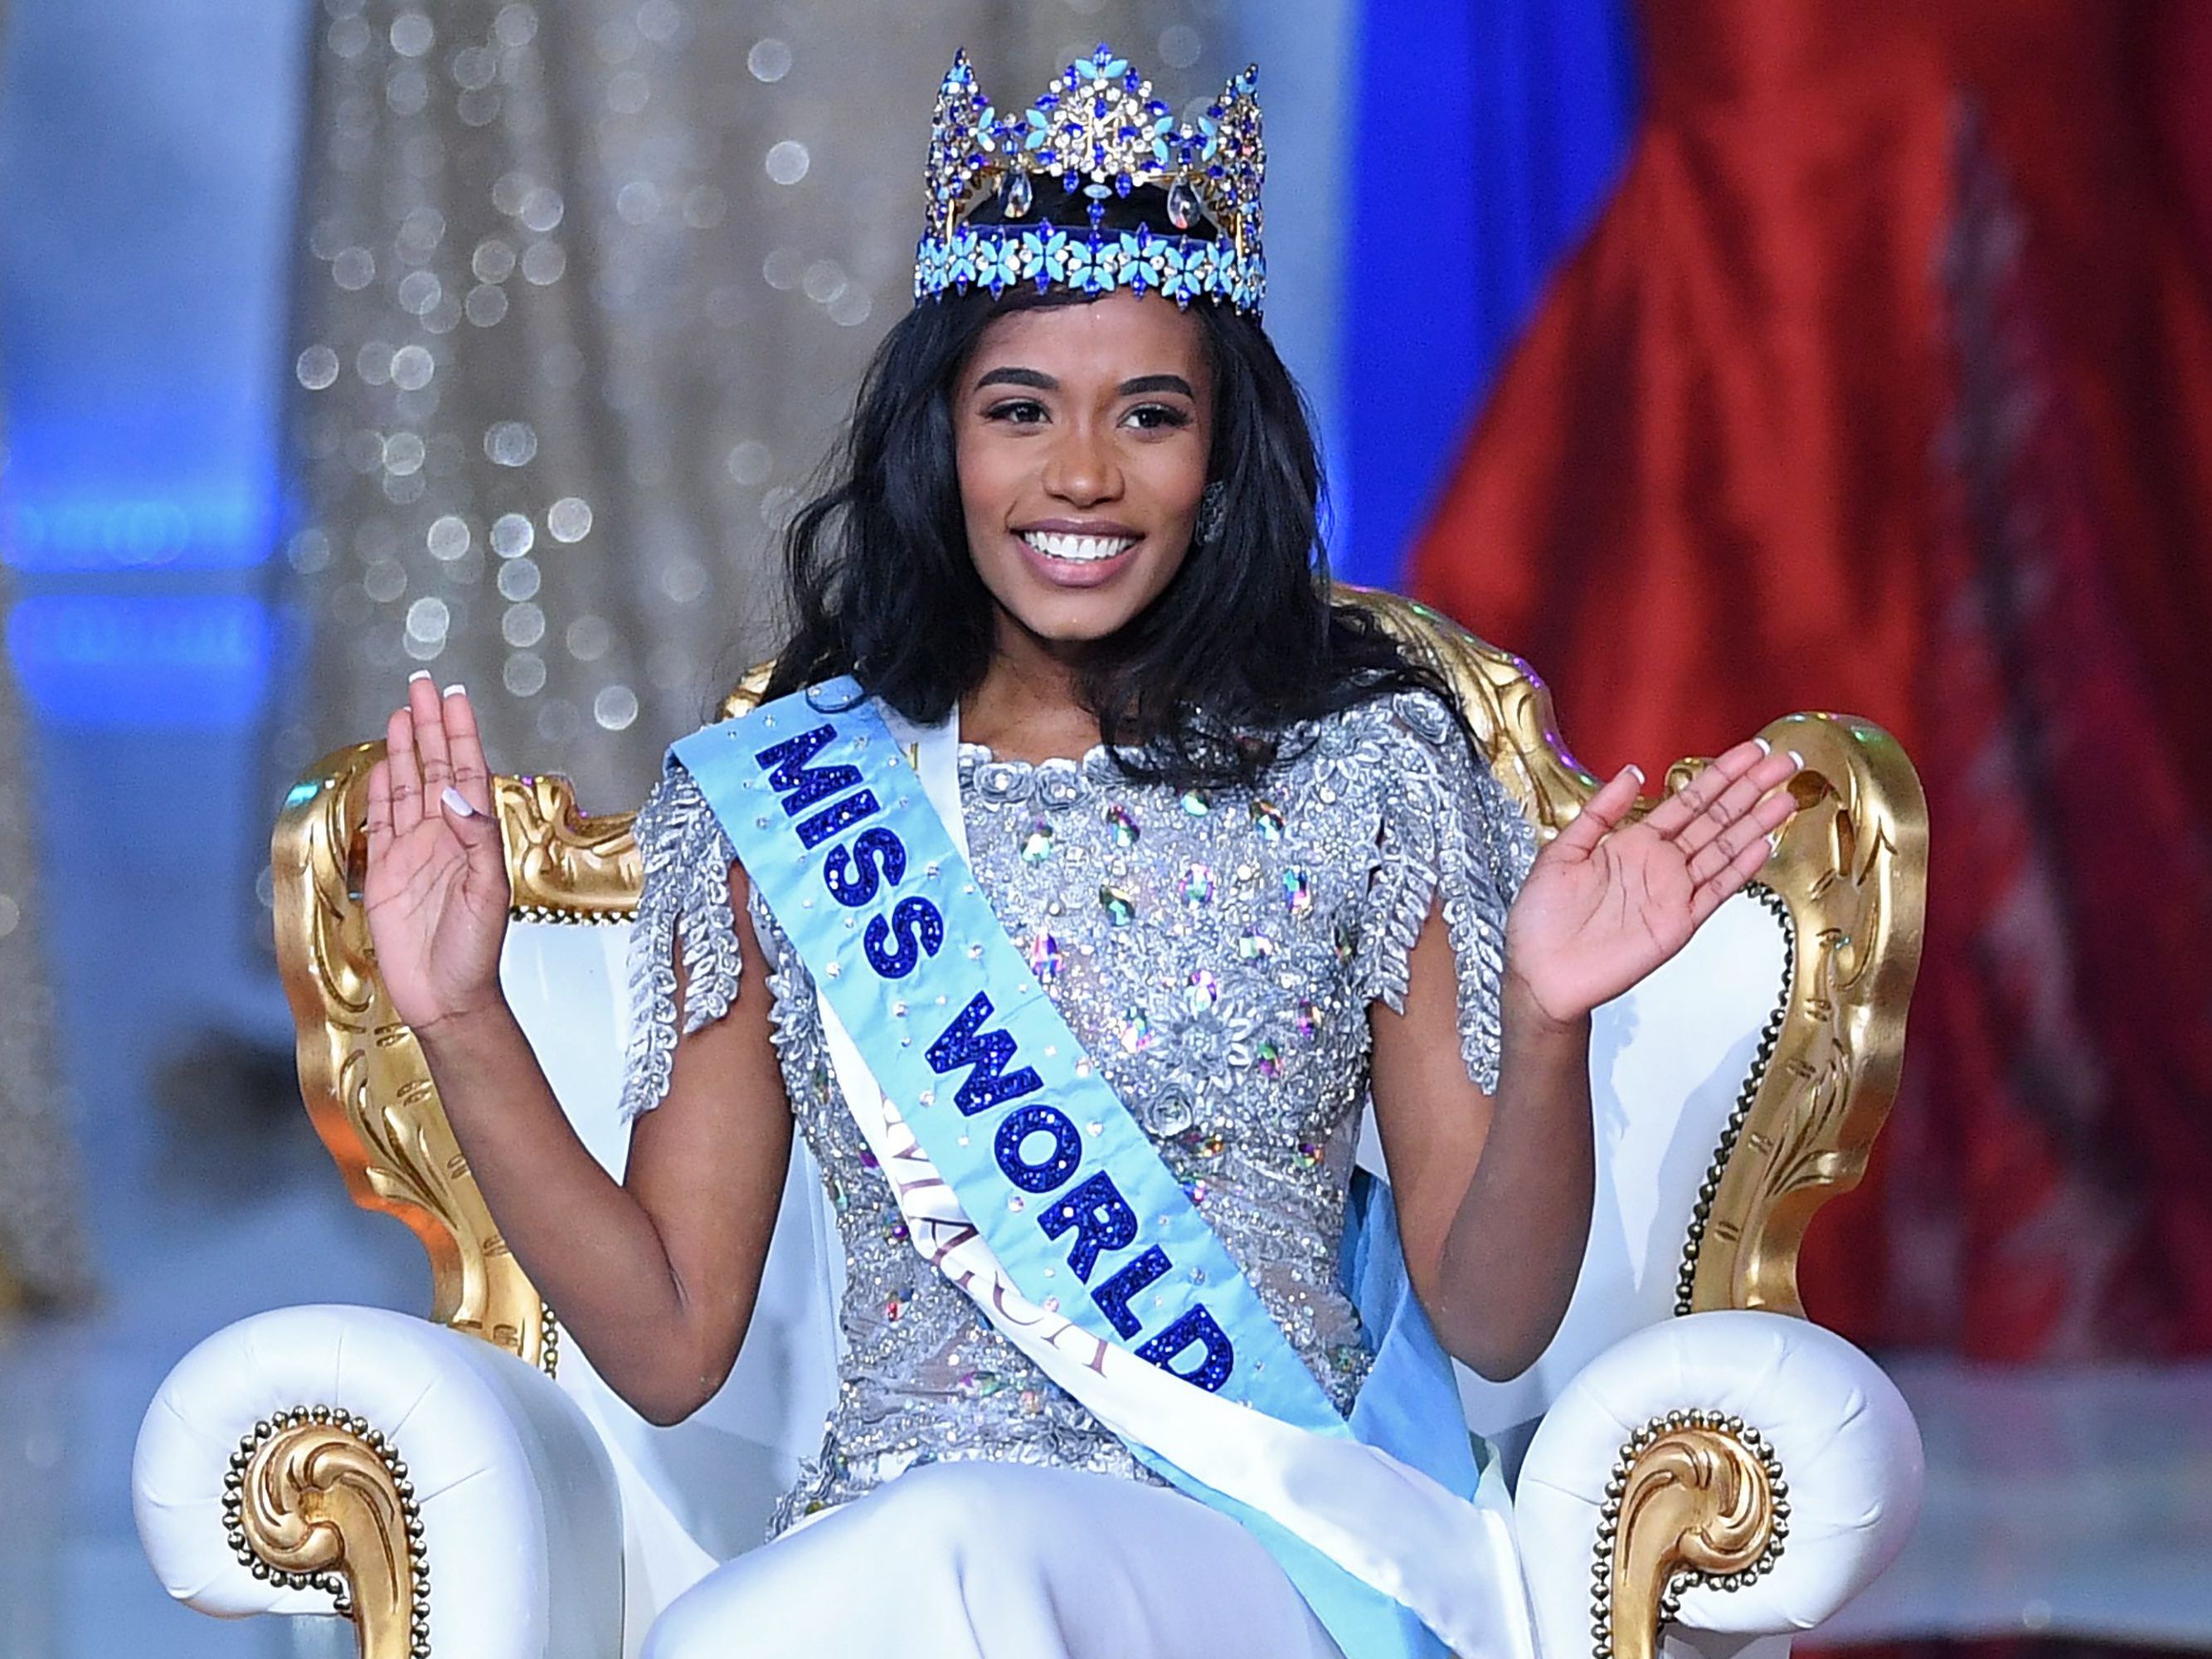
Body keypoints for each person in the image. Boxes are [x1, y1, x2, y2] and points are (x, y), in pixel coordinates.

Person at [357, 46, 1800, 1659]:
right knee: (937, 1562)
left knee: (969, 1550)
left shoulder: (1359, 773)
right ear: (940, 442)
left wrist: (1540, 1027)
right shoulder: (789, 801)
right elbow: (671, 1338)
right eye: (1020, 411)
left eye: (1149, 416)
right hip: (889, 1550)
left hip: (1257, 1549)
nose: (1081, 476)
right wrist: (463, 1016)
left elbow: (1490, 1316)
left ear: (1217, 455)